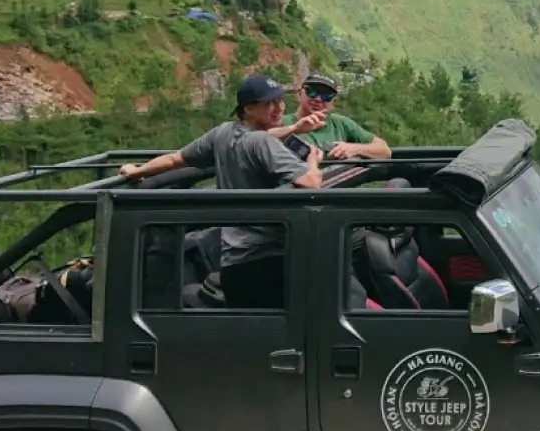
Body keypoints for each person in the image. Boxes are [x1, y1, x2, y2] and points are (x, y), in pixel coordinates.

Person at [118, 73, 323, 308]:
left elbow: (176, 159)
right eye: (269, 103)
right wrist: (313, 160)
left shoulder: (223, 133)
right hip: (269, 260)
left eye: (280, 101)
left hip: (233, 265)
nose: (279, 108)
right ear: (248, 108)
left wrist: (137, 171)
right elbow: (311, 182)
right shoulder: (262, 143)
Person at [268, 72, 392, 160]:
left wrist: (353, 148)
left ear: (334, 103)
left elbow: (384, 151)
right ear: (299, 94)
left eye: (326, 95)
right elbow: (254, 139)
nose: (318, 99)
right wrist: (294, 128)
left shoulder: (341, 123)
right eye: (311, 91)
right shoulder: (282, 122)